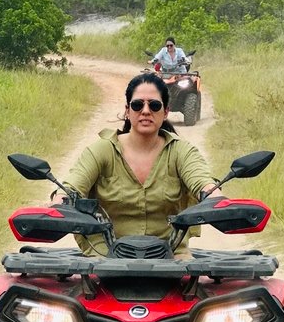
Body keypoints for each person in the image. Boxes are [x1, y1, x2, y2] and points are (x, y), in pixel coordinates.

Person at [58, 72, 217, 245]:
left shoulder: (181, 151)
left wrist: (217, 200)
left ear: (165, 112)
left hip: (171, 257)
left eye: (155, 105)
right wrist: (59, 204)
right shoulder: (102, 150)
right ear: (127, 111)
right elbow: (70, 188)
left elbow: (204, 184)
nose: (146, 111)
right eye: (137, 105)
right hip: (103, 257)